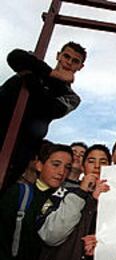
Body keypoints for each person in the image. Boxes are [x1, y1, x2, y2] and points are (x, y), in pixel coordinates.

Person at [0, 42, 86, 186]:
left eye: (75, 61)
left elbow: (47, 108)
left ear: (80, 67)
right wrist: (53, 74)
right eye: (66, 56)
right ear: (59, 56)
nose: (69, 62)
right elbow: (15, 56)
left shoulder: (71, 97)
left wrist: (27, 74)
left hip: (18, 150)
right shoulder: (37, 67)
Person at [35, 144, 111, 260]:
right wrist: (81, 192)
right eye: (91, 161)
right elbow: (51, 235)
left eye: (103, 162)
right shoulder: (64, 192)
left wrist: (103, 242)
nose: (97, 166)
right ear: (82, 166)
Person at [0, 143, 73, 260]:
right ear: (39, 165)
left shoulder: (67, 201)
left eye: (67, 167)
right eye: (56, 164)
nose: (62, 172)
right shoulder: (18, 193)